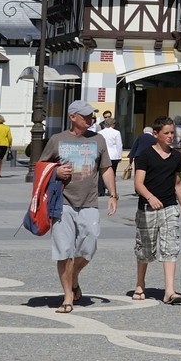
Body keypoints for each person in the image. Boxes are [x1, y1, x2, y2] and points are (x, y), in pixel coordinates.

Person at [39, 101, 118, 312]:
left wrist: (113, 194)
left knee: (89, 246)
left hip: (89, 202)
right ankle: (68, 297)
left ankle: (73, 275)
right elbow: (41, 167)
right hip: (62, 203)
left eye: (92, 115)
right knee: (64, 251)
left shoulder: (98, 139)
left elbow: (106, 168)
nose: (91, 119)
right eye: (86, 116)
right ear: (73, 117)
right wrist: (55, 172)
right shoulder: (57, 140)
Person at [131, 116, 181, 304]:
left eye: (172, 132)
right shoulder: (145, 155)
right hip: (147, 208)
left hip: (169, 207)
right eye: (167, 133)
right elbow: (138, 183)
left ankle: (169, 291)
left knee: (170, 248)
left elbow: (178, 183)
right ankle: (140, 284)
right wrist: (150, 197)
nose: (171, 136)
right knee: (145, 249)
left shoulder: (176, 156)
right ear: (156, 134)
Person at [98, 118, 124, 190]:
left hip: (103, 154)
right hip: (113, 155)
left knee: (101, 173)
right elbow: (119, 145)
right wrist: (120, 156)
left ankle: (100, 190)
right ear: (113, 124)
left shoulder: (100, 132)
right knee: (112, 173)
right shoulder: (116, 132)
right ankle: (111, 189)